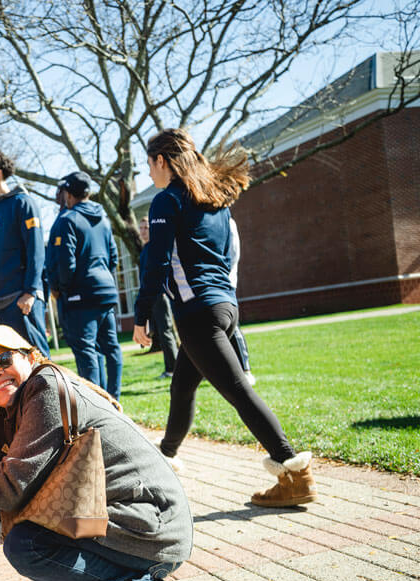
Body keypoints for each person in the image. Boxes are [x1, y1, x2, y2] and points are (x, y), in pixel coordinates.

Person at [0, 325, 193, 581]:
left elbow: (8, 491)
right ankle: (75, 574)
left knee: (28, 548)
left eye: (3, 359)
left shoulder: (44, 388)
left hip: (155, 529)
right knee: (28, 538)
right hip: (122, 516)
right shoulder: (11, 415)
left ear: (30, 356)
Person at [134, 129, 316, 507]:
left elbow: (158, 262)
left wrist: (142, 316)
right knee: (182, 385)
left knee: (239, 393)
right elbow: (230, 256)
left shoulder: (166, 201)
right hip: (224, 307)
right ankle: (167, 454)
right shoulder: (214, 200)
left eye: (149, 164)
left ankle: (293, 471)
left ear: (161, 161)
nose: (148, 173)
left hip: (198, 312)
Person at [45, 171, 123, 399]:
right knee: (110, 348)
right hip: (105, 292)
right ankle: (114, 400)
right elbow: (113, 257)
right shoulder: (104, 219)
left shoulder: (67, 220)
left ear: (68, 193)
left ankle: (96, 404)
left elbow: (64, 262)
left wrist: (60, 288)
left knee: (86, 350)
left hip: (80, 296)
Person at [0, 151, 51, 356]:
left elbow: (36, 249)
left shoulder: (23, 203)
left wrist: (30, 291)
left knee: (37, 357)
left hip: (22, 299)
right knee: (12, 362)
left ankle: (53, 389)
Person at [137, 219, 178, 378]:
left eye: (146, 228)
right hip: (152, 297)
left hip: (160, 295)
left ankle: (172, 369)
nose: (143, 231)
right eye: (141, 228)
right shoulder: (145, 249)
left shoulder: (154, 248)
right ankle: (171, 367)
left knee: (166, 331)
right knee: (161, 332)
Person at [226, 219, 257, 386]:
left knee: (233, 326)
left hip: (225, 282)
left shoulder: (228, 222)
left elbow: (233, 254)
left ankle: (245, 369)